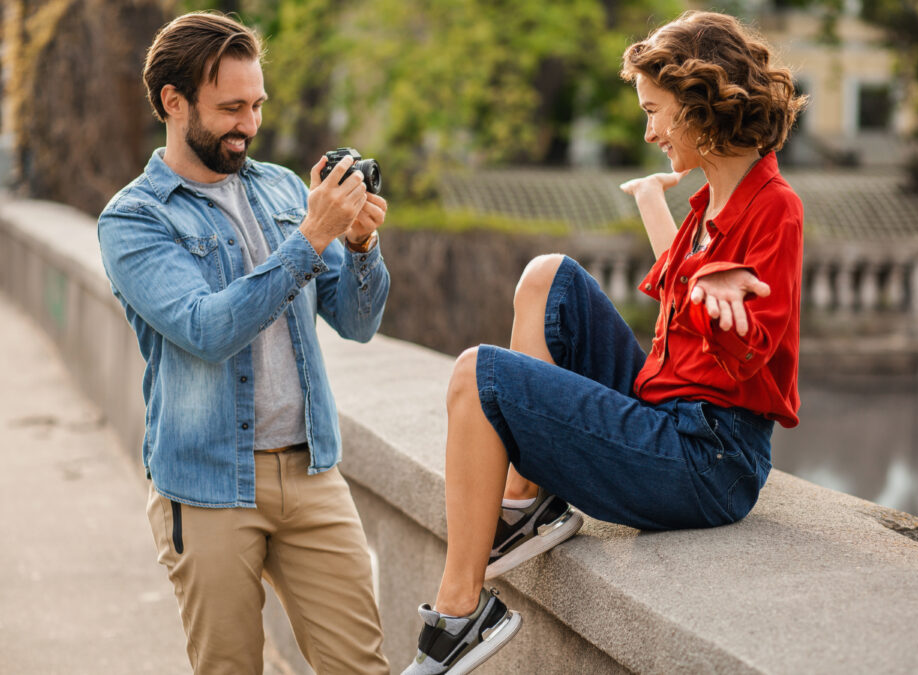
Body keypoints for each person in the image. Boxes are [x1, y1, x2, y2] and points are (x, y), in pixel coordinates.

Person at [402, 10, 808, 674]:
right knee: (547, 278)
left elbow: (751, 353)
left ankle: (460, 610)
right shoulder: (710, 204)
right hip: (670, 412)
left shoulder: (774, 208)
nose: (649, 130)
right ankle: (527, 499)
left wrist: (728, 314)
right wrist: (660, 215)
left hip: (709, 457)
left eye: (656, 112)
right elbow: (685, 295)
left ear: (700, 108)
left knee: (479, 375)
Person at [97, 12, 391, 675]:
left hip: (312, 471)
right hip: (206, 484)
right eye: (231, 107)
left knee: (363, 667)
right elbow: (207, 328)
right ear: (173, 103)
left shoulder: (285, 191)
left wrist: (362, 245)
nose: (250, 124)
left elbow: (357, 320)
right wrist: (311, 237)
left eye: (256, 104)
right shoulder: (136, 218)